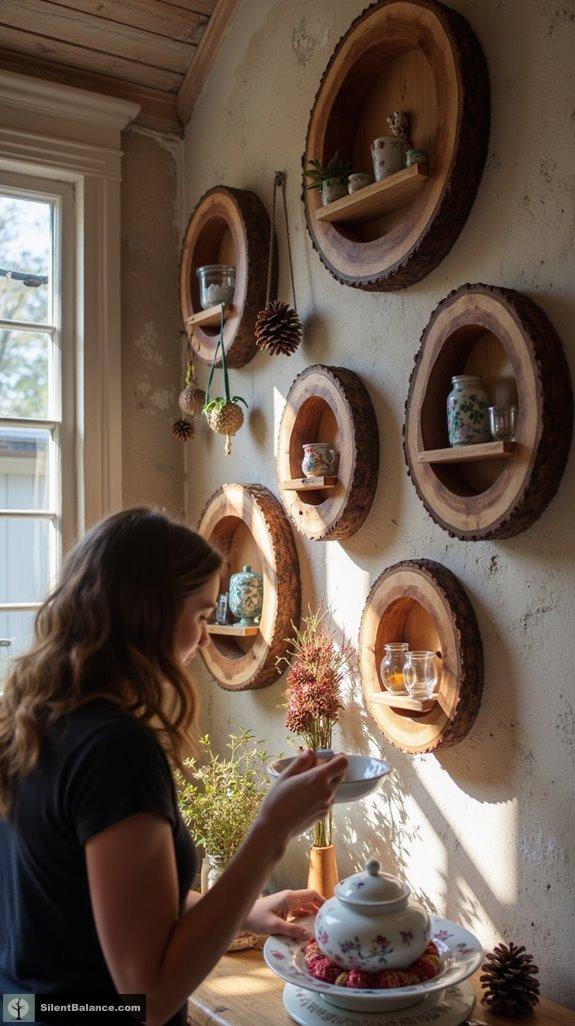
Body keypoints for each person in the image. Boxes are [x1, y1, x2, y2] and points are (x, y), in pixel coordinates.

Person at [0, 508, 348, 1026]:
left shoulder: (32, 720)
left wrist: (243, 910)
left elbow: (98, 900)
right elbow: (148, 998)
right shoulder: (115, 750)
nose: (205, 639)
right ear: (151, 613)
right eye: (202, 615)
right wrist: (271, 831)